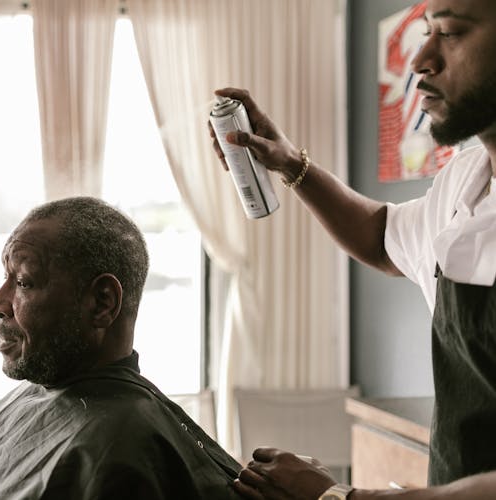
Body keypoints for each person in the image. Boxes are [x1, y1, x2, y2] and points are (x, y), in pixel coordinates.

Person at [209, 0, 496, 498]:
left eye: (450, 33)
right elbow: (382, 238)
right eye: (426, 31)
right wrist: (288, 163)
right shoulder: (467, 179)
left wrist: (339, 496)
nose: (420, 58)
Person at [0, 196, 243, 500]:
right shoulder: (35, 397)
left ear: (102, 303)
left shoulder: (125, 449)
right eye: (6, 279)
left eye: (23, 282)